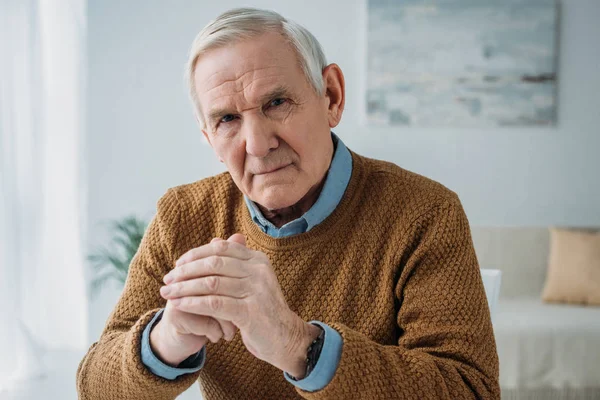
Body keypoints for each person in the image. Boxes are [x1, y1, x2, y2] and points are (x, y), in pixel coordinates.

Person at [76, 7, 500, 400]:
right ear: (209, 139)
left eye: (276, 103)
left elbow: (470, 389)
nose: (258, 145)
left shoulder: (425, 213)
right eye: (227, 119)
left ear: (331, 96)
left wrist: (298, 345)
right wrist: (167, 339)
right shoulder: (182, 215)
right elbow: (93, 387)